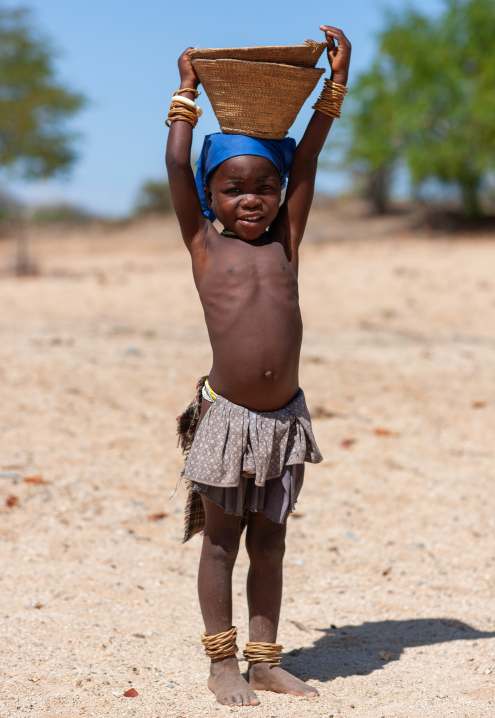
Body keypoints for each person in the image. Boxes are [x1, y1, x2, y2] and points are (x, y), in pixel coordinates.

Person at [166, 25, 351, 708]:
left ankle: (266, 660)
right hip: (228, 418)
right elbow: (174, 171)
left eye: (264, 187)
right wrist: (185, 99)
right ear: (209, 197)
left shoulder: (286, 244)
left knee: (269, 544)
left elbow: (306, 163)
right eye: (234, 188)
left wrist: (333, 91)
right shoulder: (204, 248)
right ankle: (221, 664)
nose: (252, 199)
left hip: (283, 421)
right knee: (220, 545)